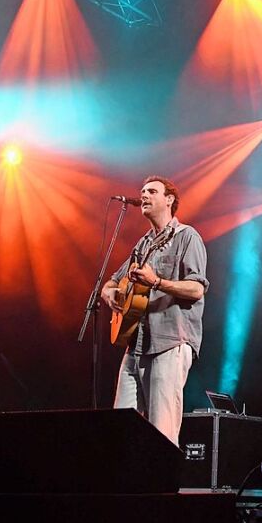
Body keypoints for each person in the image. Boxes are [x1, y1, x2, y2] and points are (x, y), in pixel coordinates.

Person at [100, 176, 208, 445]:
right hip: (136, 342)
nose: (143, 195)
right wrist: (109, 291)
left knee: (162, 428)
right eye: (142, 191)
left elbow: (197, 289)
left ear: (169, 199)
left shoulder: (187, 237)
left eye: (151, 191)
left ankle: (163, 484)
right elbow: (111, 281)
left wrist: (157, 282)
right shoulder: (144, 244)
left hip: (170, 340)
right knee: (121, 424)